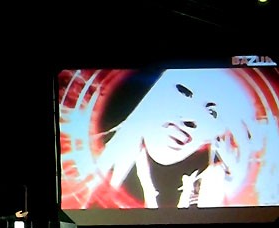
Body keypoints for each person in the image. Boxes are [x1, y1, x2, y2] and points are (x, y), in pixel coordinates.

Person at [59, 68, 273, 209]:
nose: (190, 118)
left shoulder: (218, 188)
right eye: (183, 92)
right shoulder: (80, 175)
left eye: (213, 113)